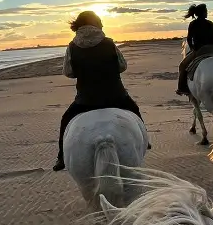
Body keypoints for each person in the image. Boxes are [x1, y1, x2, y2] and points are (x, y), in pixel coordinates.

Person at [53, 11, 144, 172]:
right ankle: (145, 141)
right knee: (134, 110)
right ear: (97, 24)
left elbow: (68, 72)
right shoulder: (108, 43)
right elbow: (122, 66)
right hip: (116, 96)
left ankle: (61, 157)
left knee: (65, 120)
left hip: (86, 100)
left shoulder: (72, 46)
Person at [177, 3, 213, 96]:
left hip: (199, 50)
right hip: (212, 50)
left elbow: (189, 39)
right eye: (206, 11)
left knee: (182, 66)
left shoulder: (193, 24)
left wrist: (193, 48)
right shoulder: (210, 23)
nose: (207, 13)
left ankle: (182, 88)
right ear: (203, 13)